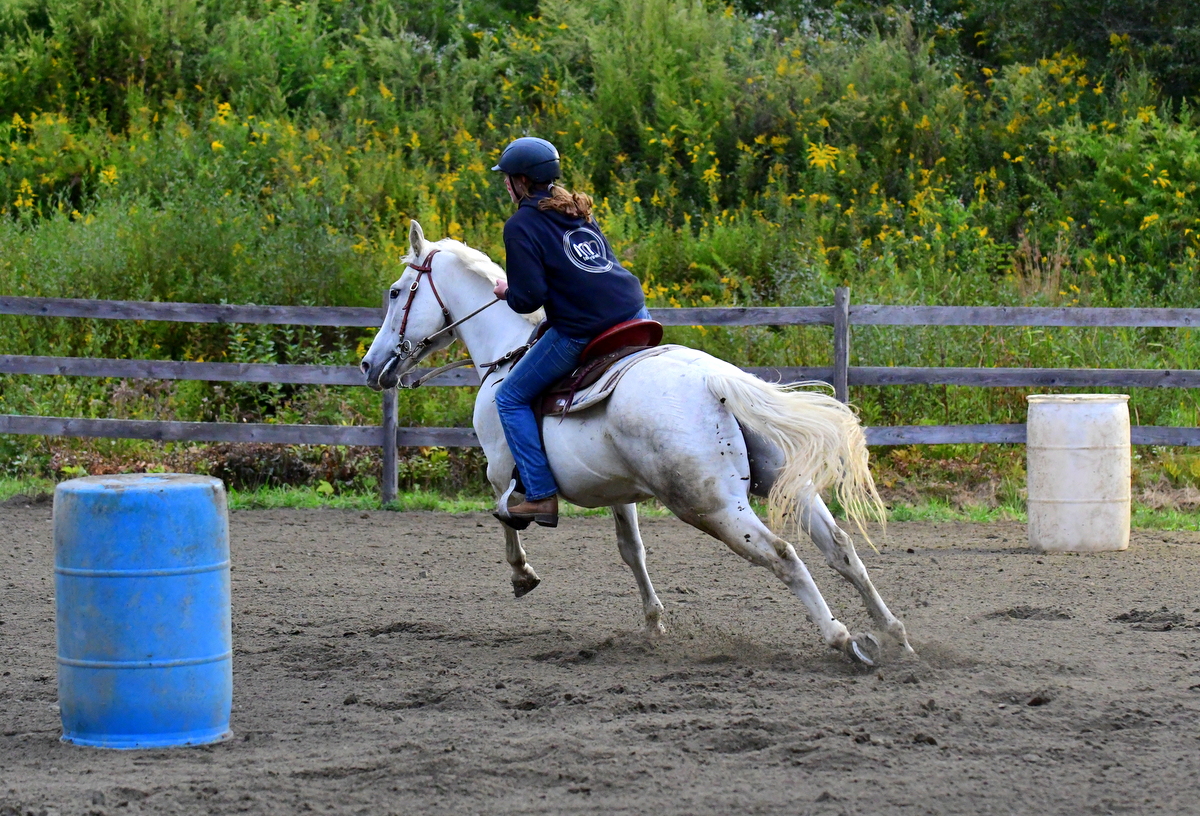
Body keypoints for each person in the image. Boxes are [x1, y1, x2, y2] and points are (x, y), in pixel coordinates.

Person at [490, 136, 649, 528]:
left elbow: (529, 299)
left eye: (508, 179)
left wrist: (507, 292)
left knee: (508, 397)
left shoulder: (521, 224)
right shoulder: (577, 209)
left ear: (520, 181)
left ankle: (540, 496)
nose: (505, 185)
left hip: (584, 327)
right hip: (633, 311)